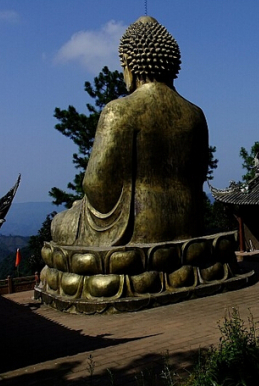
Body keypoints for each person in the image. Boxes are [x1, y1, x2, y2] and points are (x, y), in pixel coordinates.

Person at [51, 16, 209, 247]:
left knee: (58, 223)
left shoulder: (118, 111)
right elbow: (199, 177)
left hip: (132, 227)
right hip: (189, 224)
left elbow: (96, 185)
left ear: (129, 63)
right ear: (172, 64)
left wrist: (81, 207)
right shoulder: (196, 115)